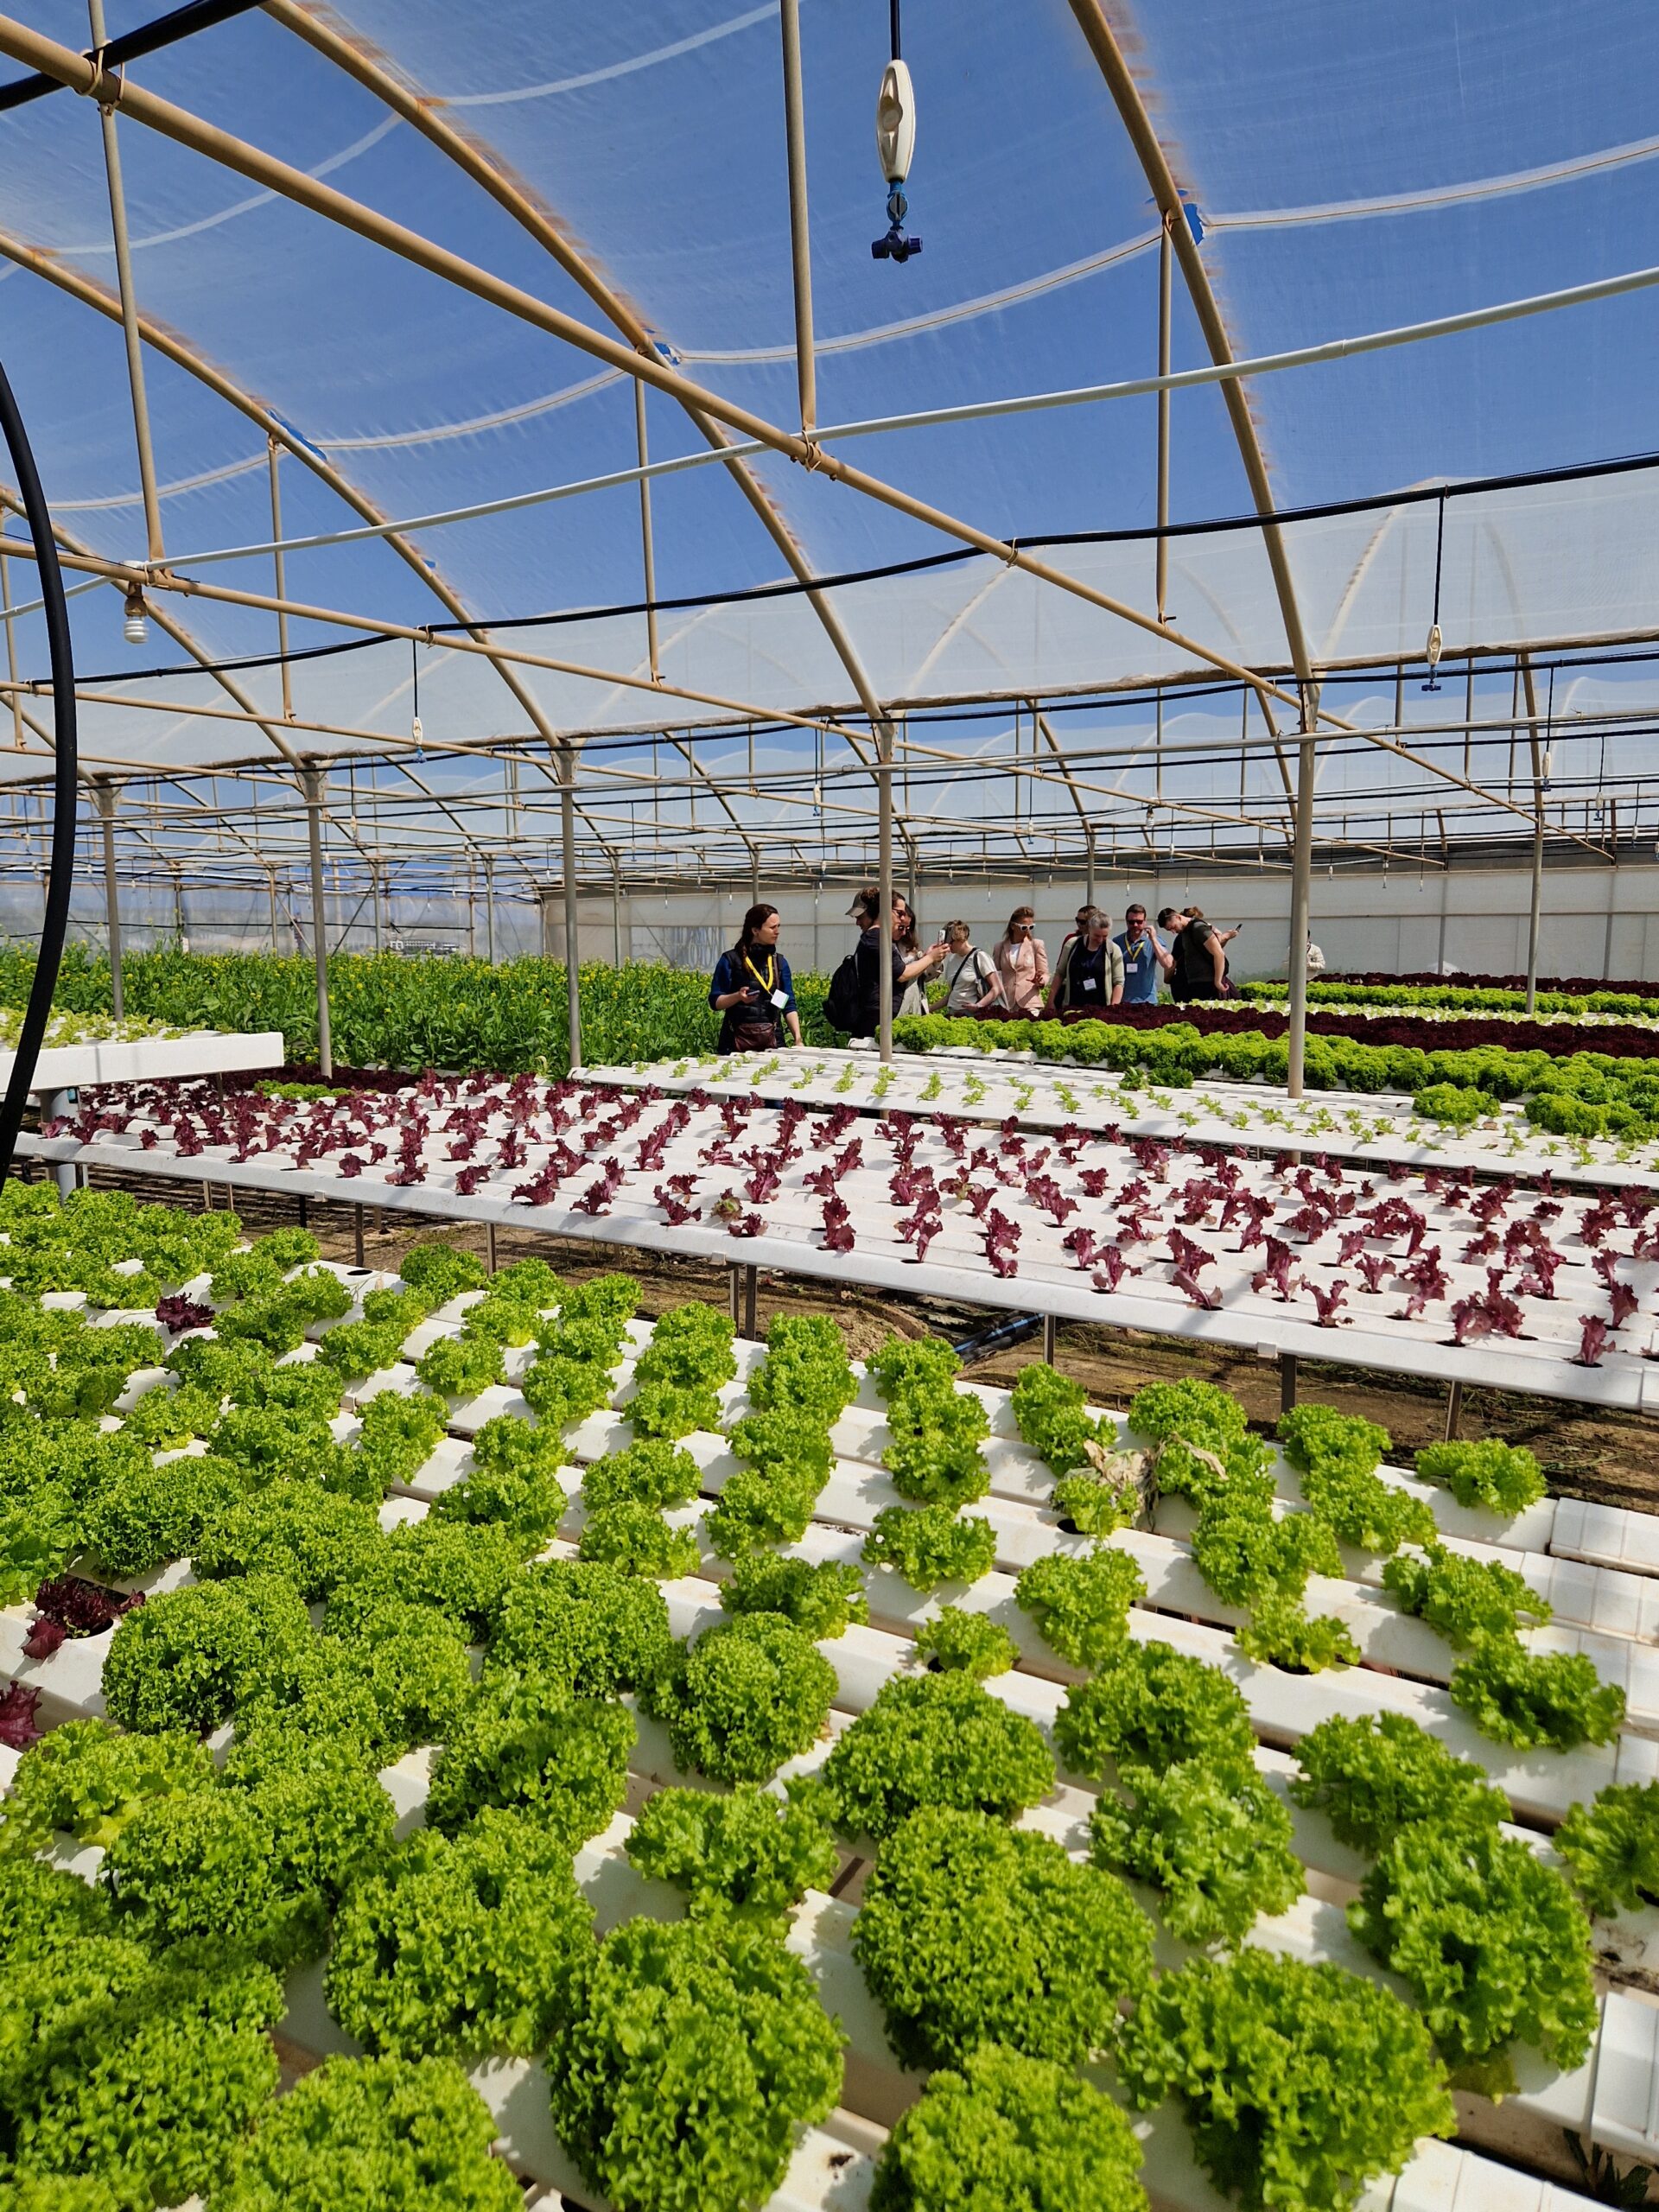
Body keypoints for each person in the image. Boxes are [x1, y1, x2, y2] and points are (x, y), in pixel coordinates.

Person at [842, 885, 944, 1039]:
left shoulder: (878, 938)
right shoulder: (876, 937)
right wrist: (930, 958)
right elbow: (903, 974)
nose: (902, 919)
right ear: (884, 910)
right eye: (899, 913)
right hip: (876, 1017)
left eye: (859, 917)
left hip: (878, 1015)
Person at [709, 902, 802, 1052]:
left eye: (779, 926)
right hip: (735, 1043)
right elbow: (715, 1002)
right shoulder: (731, 960)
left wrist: (798, 1039)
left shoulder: (780, 962)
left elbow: (788, 1004)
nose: (777, 932)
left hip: (773, 1041)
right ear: (755, 930)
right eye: (772, 927)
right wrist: (738, 997)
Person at [1044, 906, 1124, 1014]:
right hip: (1072, 1008)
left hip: (1101, 1010)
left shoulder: (1113, 950)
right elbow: (1060, 973)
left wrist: (1113, 1008)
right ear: (1089, 929)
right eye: (1096, 936)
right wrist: (1050, 1001)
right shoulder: (1072, 945)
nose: (1100, 940)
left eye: (1104, 936)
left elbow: (1119, 982)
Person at [992, 905, 1048, 1016]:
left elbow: (1045, 973)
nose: (1027, 930)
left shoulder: (1036, 945)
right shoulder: (999, 947)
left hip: (1029, 1001)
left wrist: (1041, 981)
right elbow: (995, 976)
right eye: (1023, 927)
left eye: (1031, 927)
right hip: (1006, 1003)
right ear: (1013, 926)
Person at [939, 920, 1003, 1016]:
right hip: (953, 1012)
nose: (948, 946)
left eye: (950, 942)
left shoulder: (979, 956)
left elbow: (997, 988)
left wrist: (978, 1005)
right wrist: (929, 1009)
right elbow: (954, 992)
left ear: (960, 939)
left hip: (972, 1015)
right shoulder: (952, 959)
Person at [1177, 905, 1239, 1001]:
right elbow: (1218, 950)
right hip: (1206, 978)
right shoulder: (1197, 929)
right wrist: (1226, 936)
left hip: (1193, 978)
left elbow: (1215, 947)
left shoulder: (1189, 931)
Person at [1116, 902, 1170, 1006]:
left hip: (1148, 1001)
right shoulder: (1117, 942)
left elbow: (1167, 964)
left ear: (1145, 922)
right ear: (1126, 922)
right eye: (1131, 922)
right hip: (1123, 1001)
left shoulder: (1155, 941)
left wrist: (1153, 939)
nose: (1135, 925)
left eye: (1139, 922)